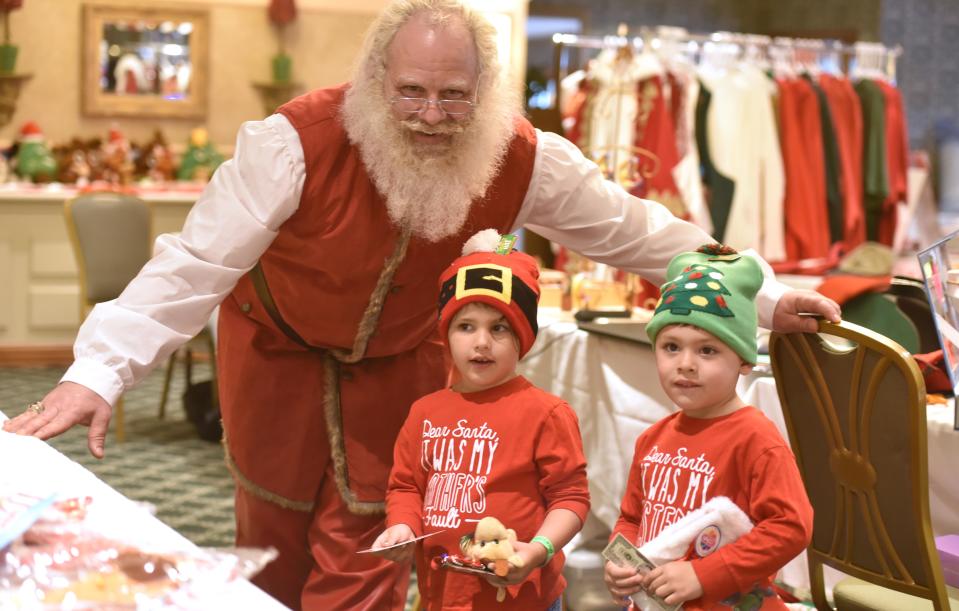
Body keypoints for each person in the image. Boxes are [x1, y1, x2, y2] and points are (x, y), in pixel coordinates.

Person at [3, 1, 839, 609]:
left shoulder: (522, 158)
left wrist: (762, 299)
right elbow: (193, 263)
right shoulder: (292, 142)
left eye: (453, 96)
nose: (432, 116)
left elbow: (640, 235)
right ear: (374, 81)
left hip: (401, 373)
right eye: (411, 93)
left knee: (371, 548)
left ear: (484, 90)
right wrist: (97, 372)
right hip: (274, 358)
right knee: (275, 552)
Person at [371, 229, 589, 610]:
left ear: (522, 337)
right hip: (442, 596)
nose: (481, 342)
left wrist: (539, 550)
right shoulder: (425, 412)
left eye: (499, 328)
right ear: (447, 334)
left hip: (524, 600)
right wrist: (403, 525)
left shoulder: (547, 413)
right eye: (466, 326)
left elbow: (570, 499)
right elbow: (406, 486)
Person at [603, 244, 814, 610]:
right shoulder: (652, 438)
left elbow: (791, 526)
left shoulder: (756, 439)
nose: (685, 364)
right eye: (671, 347)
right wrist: (620, 560)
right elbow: (633, 517)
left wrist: (704, 574)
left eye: (707, 351)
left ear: (744, 360)